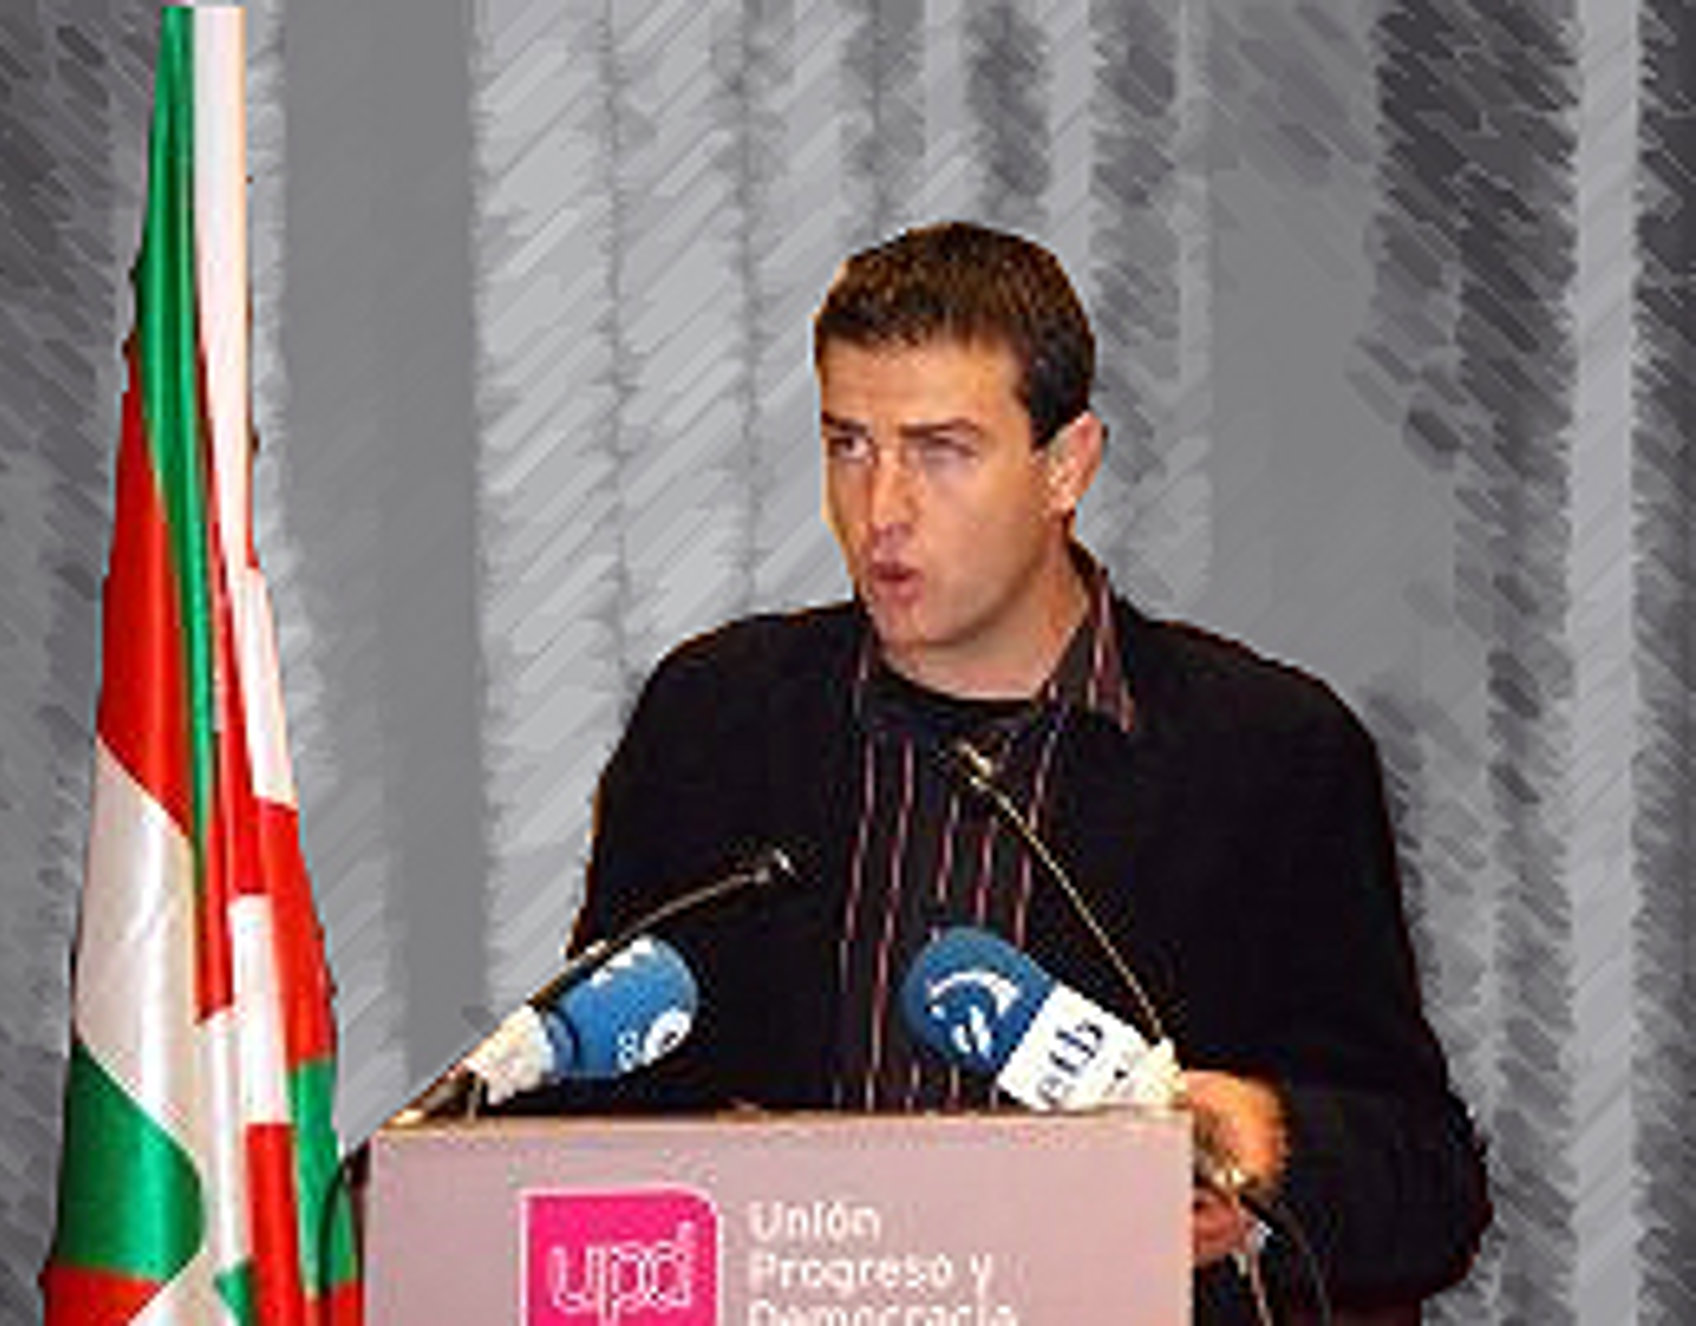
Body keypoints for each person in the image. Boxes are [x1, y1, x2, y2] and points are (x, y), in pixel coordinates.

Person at [552, 221, 1489, 1321]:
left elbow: (1425, 1185)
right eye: (849, 445)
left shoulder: (1269, 756)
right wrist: (710, 1172)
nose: (881, 509)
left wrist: (1268, 1150)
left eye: (941, 450)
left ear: (1066, 466)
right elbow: (582, 1101)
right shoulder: (715, 721)